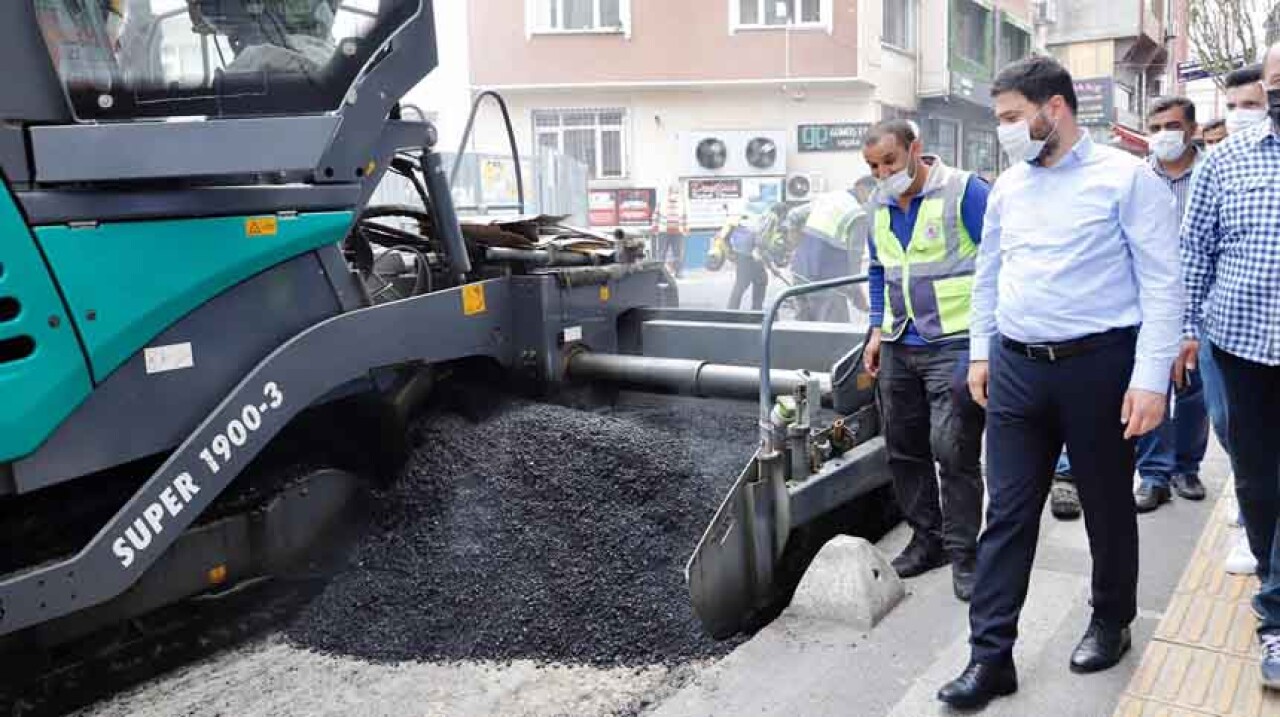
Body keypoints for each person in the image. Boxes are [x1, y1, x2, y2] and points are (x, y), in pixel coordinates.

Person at [937, 56, 1181, 709]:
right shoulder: (1011, 187)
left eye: (1013, 117)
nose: (1005, 131)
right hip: (1017, 369)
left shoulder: (1127, 180)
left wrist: (1150, 378)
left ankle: (1111, 620)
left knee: (1105, 505)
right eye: (1001, 119)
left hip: (1099, 368)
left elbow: (1163, 284)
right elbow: (989, 272)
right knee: (1007, 512)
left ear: (1056, 108)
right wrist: (982, 354)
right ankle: (990, 656)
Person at [1179, 42, 1280, 688]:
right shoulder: (1227, 161)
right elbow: (1196, 253)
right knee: (1259, 481)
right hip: (1241, 350)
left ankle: (1273, 615)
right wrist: (1187, 335)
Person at [861, 119, 989, 602]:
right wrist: (877, 328)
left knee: (953, 450)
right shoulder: (877, 203)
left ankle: (964, 554)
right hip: (899, 343)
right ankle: (926, 541)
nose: (882, 174)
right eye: (873, 167)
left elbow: (1000, 262)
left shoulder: (965, 192)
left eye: (890, 162)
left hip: (955, 343)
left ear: (915, 149)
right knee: (904, 447)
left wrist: (986, 346)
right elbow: (878, 270)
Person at [1130, 96, 1210, 512]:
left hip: (1202, 297)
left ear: (1192, 130)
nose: (1163, 135)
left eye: (1172, 127)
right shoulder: (1139, 177)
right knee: (1153, 381)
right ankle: (1154, 474)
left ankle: (1187, 466)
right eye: (1156, 127)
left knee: (1193, 388)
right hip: (1151, 300)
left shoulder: (1212, 173)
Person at [786, 184, 868, 322]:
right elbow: (855, 257)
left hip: (800, 273)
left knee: (801, 332)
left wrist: (797, 246)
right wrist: (856, 293)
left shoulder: (829, 198)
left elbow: (794, 215)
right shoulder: (858, 214)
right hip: (827, 284)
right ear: (862, 188)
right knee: (834, 336)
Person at [653, 184, 688, 278]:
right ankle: (659, 273)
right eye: (673, 191)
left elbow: (684, 216)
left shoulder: (681, 203)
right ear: (669, 192)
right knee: (661, 253)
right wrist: (655, 228)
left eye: (676, 192)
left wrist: (685, 229)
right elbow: (656, 215)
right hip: (664, 231)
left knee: (678, 253)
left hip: (678, 232)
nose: (675, 194)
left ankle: (678, 272)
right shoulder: (662, 202)